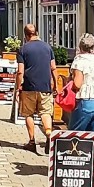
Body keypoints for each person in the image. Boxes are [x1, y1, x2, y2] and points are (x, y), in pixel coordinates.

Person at [15, 24, 55, 154]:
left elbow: (20, 72)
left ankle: (32, 142)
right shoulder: (47, 47)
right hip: (45, 86)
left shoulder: (23, 49)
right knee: (46, 112)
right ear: (37, 32)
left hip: (29, 86)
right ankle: (48, 134)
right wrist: (55, 84)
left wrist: (18, 87)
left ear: (26, 35)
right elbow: (53, 68)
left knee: (28, 113)